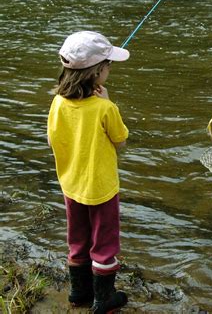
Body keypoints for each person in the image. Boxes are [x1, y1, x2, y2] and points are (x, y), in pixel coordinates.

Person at [47, 31, 130, 312]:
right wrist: (109, 102)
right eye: (108, 66)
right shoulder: (105, 107)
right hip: (102, 188)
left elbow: (51, 140)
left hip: (71, 184)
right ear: (97, 73)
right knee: (104, 245)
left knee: (77, 238)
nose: (109, 69)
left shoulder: (57, 101)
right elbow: (121, 142)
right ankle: (103, 300)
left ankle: (78, 293)